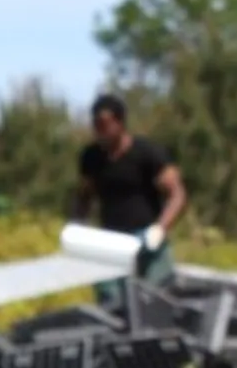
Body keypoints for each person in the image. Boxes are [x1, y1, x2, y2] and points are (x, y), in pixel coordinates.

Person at [73, 92, 187, 296]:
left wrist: (160, 229)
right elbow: (84, 196)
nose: (100, 131)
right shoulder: (91, 157)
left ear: (120, 123)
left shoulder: (147, 153)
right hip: (111, 241)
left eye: (105, 125)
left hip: (147, 239)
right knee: (113, 303)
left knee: (156, 299)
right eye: (96, 125)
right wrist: (77, 227)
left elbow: (177, 195)